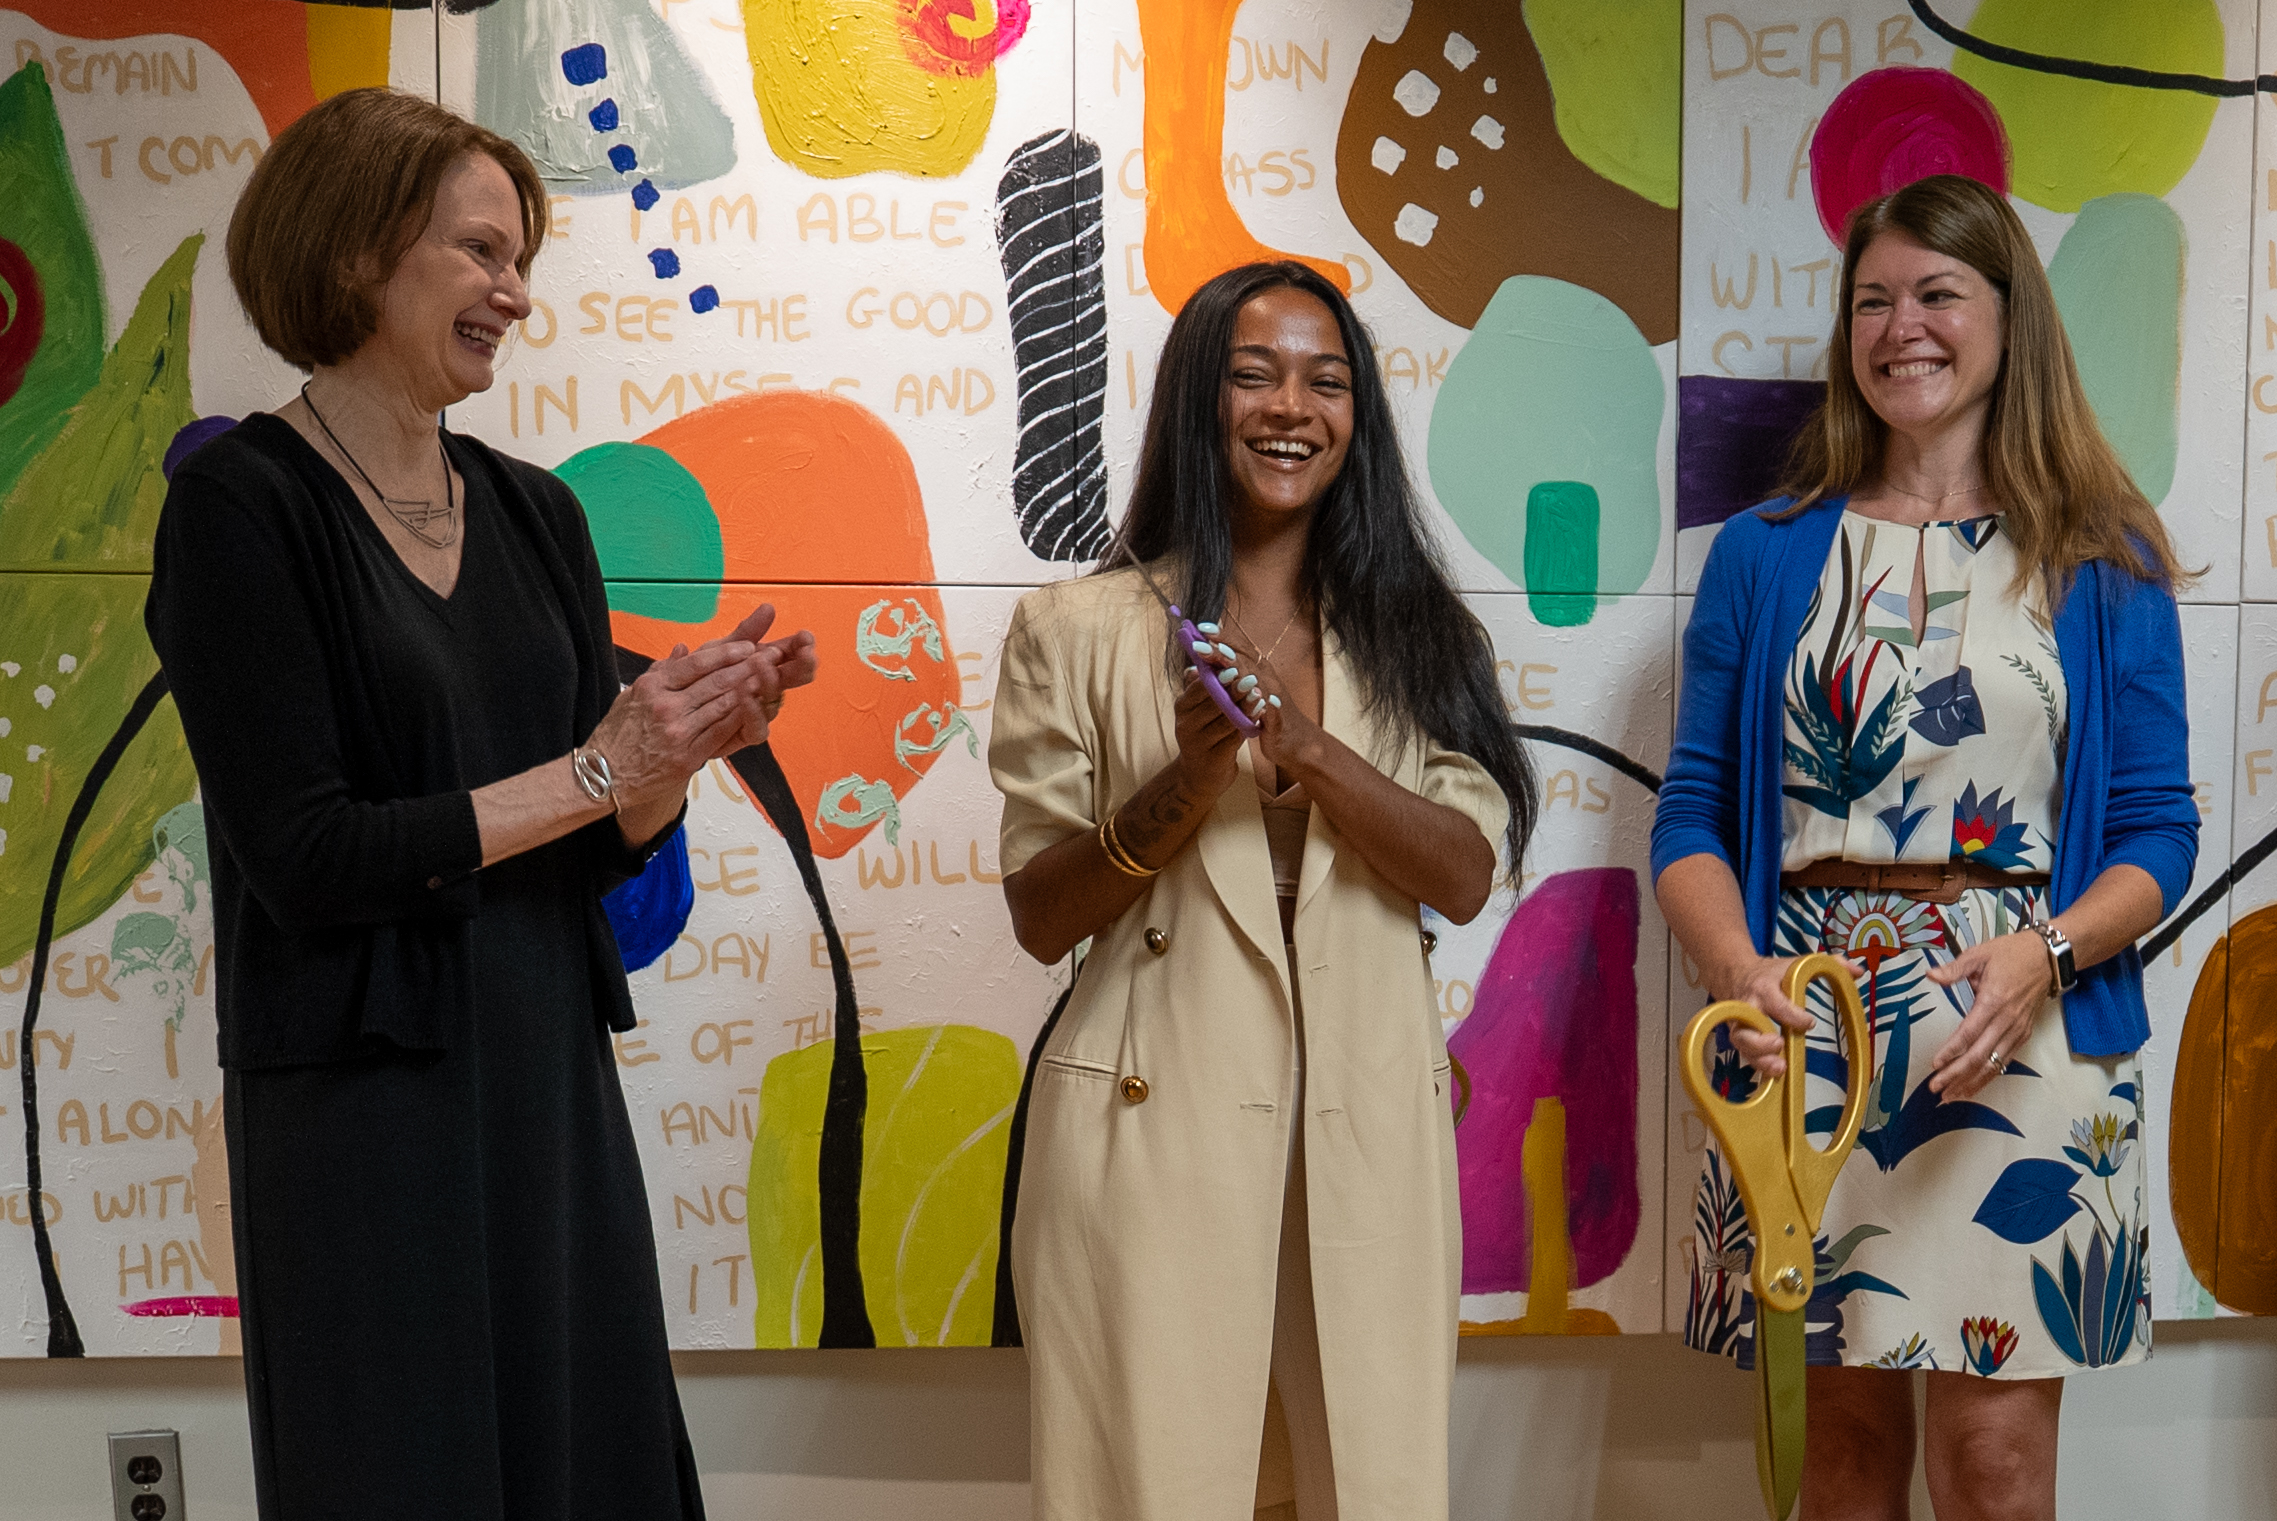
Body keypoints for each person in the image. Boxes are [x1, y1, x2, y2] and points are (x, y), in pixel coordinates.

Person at [144, 89, 815, 1519]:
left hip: (542, 1070)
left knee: (593, 1464)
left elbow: (589, 846)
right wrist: (598, 770)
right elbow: (305, 855)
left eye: (522, 259)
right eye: (481, 252)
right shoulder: (241, 506)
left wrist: (671, 761)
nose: (517, 292)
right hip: (356, 1105)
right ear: (352, 256)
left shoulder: (537, 514)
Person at [1654, 174, 2197, 1520]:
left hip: (2021, 1032)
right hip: (1808, 1040)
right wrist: (1736, 970)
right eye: (1872, 300)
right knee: (1835, 1461)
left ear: (2010, 320)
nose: (1903, 325)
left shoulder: (2100, 556)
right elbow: (1688, 821)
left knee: (1995, 1468)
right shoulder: (1764, 556)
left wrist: (2045, 956)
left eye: (1938, 293)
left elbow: (2157, 834)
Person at [988, 260, 1536, 1520]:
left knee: (1366, 1481)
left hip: (1362, 1134)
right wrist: (1189, 772)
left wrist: (1306, 746)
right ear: (1199, 398)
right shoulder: (1076, 630)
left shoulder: (1423, 638)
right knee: (1158, 1484)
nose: (1292, 405)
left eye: (1326, 379)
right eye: (1254, 373)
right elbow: (1041, 915)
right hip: (1148, 1132)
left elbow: (1460, 876)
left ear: (1358, 419)